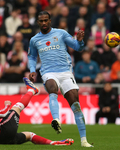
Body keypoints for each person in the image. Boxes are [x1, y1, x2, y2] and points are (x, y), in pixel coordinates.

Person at [28, 11, 93, 147]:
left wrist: (80, 41)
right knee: (52, 88)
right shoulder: (34, 40)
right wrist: (33, 70)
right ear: (38, 22)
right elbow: (32, 57)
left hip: (65, 72)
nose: (44, 23)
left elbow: (77, 47)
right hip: (48, 72)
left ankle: (84, 141)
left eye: (46, 20)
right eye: (41, 21)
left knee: (75, 104)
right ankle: (56, 119)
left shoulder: (61, 33)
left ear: (50, 20)